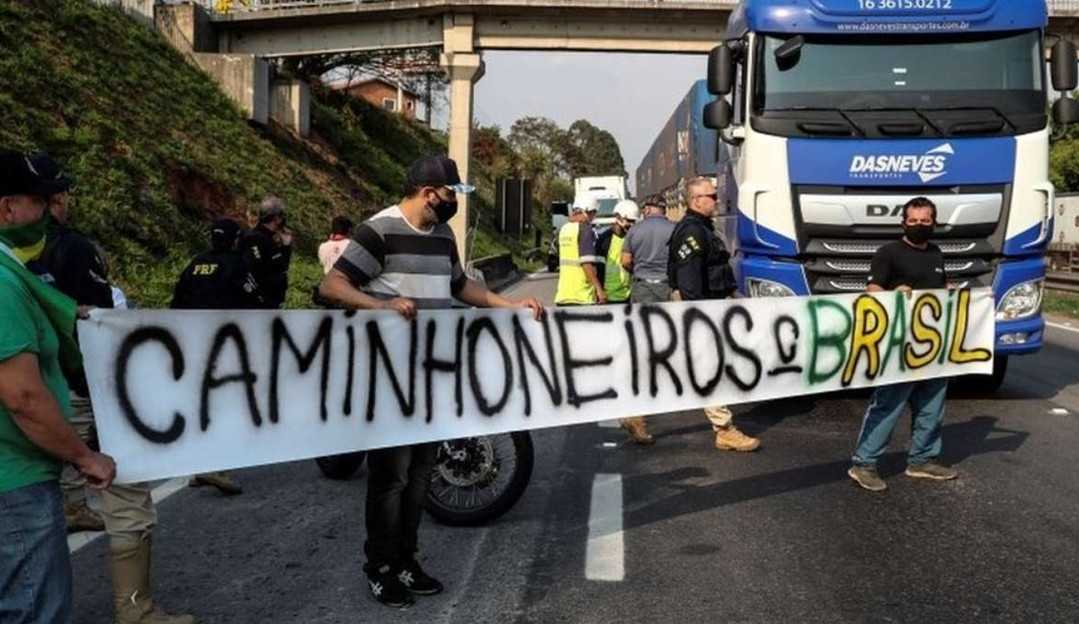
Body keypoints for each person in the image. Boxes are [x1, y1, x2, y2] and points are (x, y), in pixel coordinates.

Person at [319, 154, 544, 610]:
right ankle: (380, 567)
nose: (452, 203)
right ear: (428, 193)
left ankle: (406, 560)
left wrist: (510, 306)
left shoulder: (442, 236)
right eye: (449, 194)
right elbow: (333, 285)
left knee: (421, 475)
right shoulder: (378, 231)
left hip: (432, 377)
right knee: (390, 479)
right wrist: (381, 306)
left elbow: (461, 287)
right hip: (389, 380)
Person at [26, 153, 197, 624]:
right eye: (61, 195)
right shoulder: (74, 249)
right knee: (125, 492)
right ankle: (134, 608)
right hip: (87, 388)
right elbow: (100, 322)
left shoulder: (11, 263)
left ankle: (71, 515)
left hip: (36, 390)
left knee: (35, 499)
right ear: (52, 201)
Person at [0, 149, 117, 623]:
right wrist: (84, 456)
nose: (51, 213)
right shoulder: (2, 283)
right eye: (42, 202)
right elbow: (23, 397)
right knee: (34, 610)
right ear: (8, 208)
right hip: (15, 484)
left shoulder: (12, 272)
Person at [848, 196, 958, 492]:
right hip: (898, 344)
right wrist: (893, 293)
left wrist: (948, 290)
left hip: (933, 346)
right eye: (913, 221)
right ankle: (864, 463)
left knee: (932, 404)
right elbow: (872, 289)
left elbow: (938, 288)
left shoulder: (935, 253)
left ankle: (922, 459)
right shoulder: (888, 253)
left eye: (925, 221)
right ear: (903, 223)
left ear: (934, 222)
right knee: (889, 403)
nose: (919, 225)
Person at [668, 177, 760, 452]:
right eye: (712, 196)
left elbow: (716, 268)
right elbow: (689, 282)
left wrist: (733, 296)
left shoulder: (704, 228)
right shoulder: (692, 232)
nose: (717, 200)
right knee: (709, 368)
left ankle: (634, 412)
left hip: (712, 307)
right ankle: (724, 428)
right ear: (697, 200)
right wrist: (702, 317)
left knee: (684, 366)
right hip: (702, 310)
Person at [172, 218, 262, 497]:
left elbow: (176, 302)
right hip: (225, 344)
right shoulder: (237, 264)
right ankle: (217, 467)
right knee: (226, 403)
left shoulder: (196, 263)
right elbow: (255, 300)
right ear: (236, 240)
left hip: (192, 343)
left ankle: (200, 465)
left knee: (201, 402)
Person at [616, 195, 676, 445]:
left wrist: (639, 271)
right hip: (667, 288)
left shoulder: (636, 230)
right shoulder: (674, 229)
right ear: (663, 209)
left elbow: (625, 261)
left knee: (642, 343)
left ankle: (636, 409)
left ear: (647, 209)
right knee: (669, 339)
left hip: (642, 289)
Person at [240, 196, 292, 309]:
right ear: (277, 218)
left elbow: (281, 267)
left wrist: (286, 246)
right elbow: (252, 272)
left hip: (271, 303)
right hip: (258, 305)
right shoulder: (254, 238)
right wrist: (261, 299)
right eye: (282, 216)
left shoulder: (270, 239)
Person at [554, 199, 605, 306]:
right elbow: (586, 264)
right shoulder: (585, 230)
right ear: (586, 211)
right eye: (593, 213)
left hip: (563, 295)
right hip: (582, 296)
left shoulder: (564, 229)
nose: (593, 217)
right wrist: (599, 289)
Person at [595, 199, 638, 305]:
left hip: (629, 295)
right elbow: (598, 268)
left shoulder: (632, 238)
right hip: (609, 297)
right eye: (629, 221)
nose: (632, 224)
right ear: (618, 218)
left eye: (633, 221)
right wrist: (599, 291)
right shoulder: (604, 239)